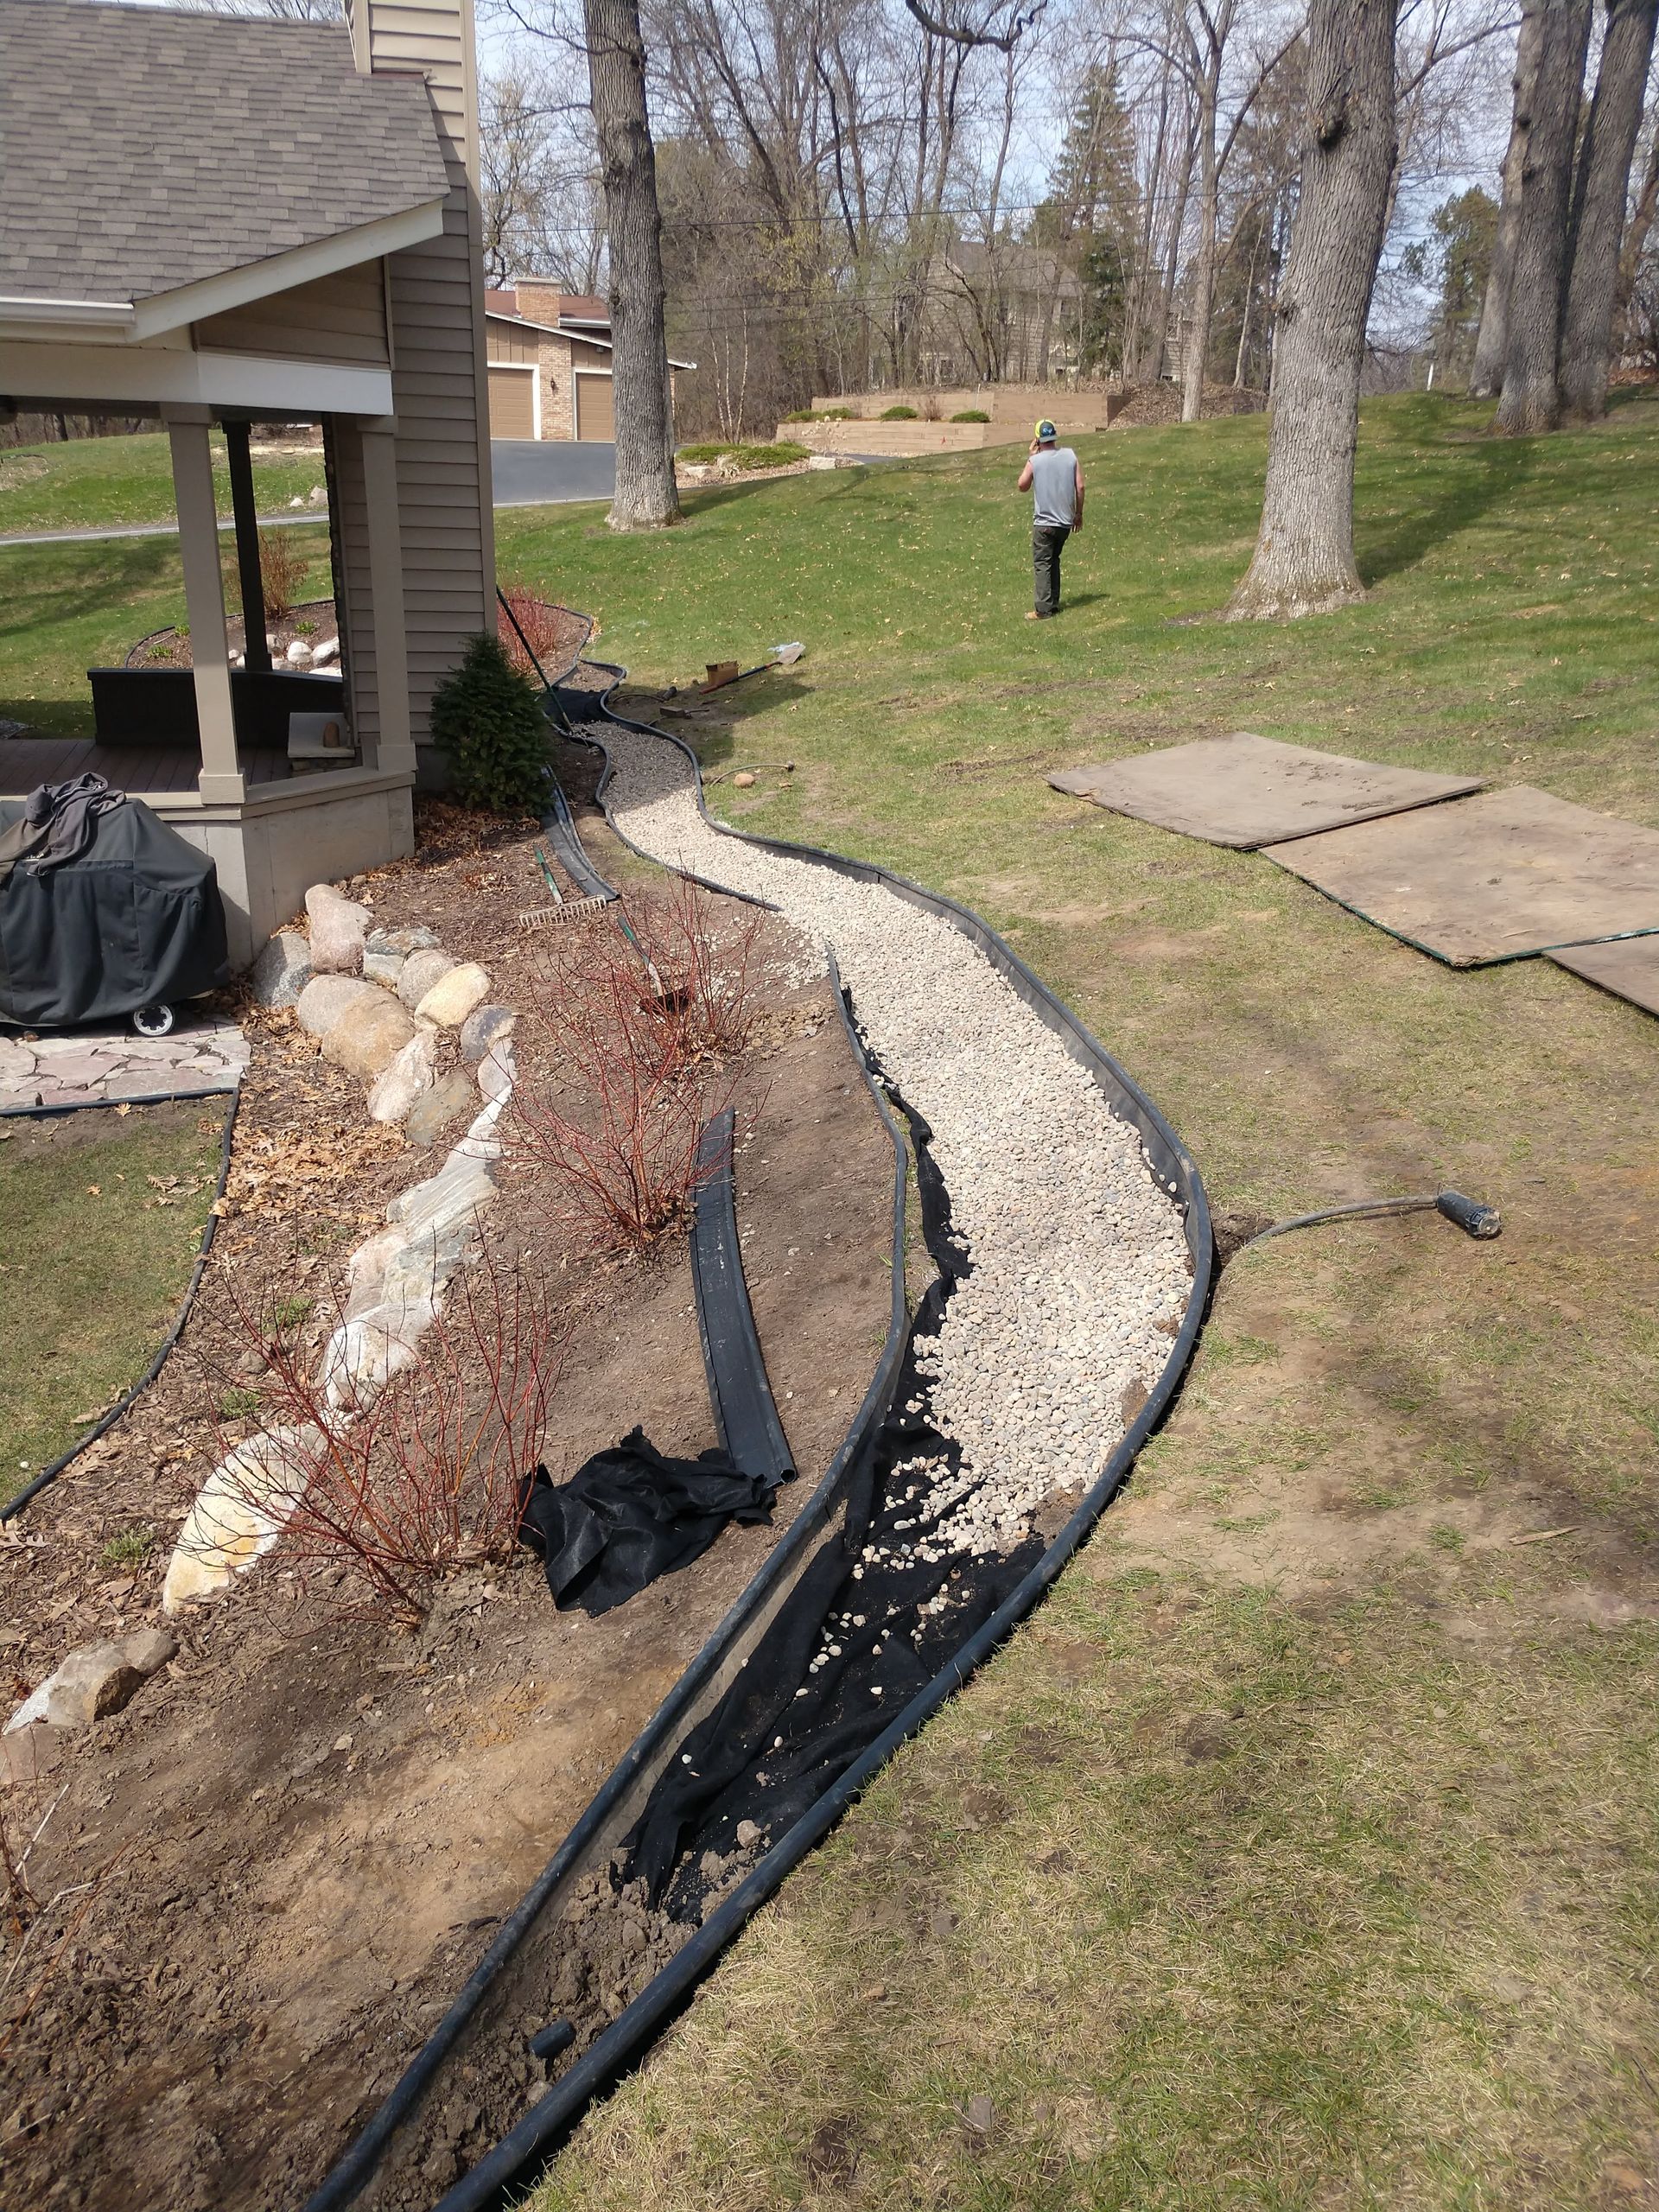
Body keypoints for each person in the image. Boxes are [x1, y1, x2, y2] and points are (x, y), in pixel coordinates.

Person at [1017, 420, 1084, 620]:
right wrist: (1078, 514)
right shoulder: (1070, 455)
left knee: (1042, 563)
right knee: (1053, 560)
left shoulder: (1035, 461)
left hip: (1044, 523)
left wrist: (1031, 458)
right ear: (1054, 435)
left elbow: (1022, 485)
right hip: (1064, 522)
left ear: (1037, 439)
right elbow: (1080, 487)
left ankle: (1043, 610)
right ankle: (1053, 603)